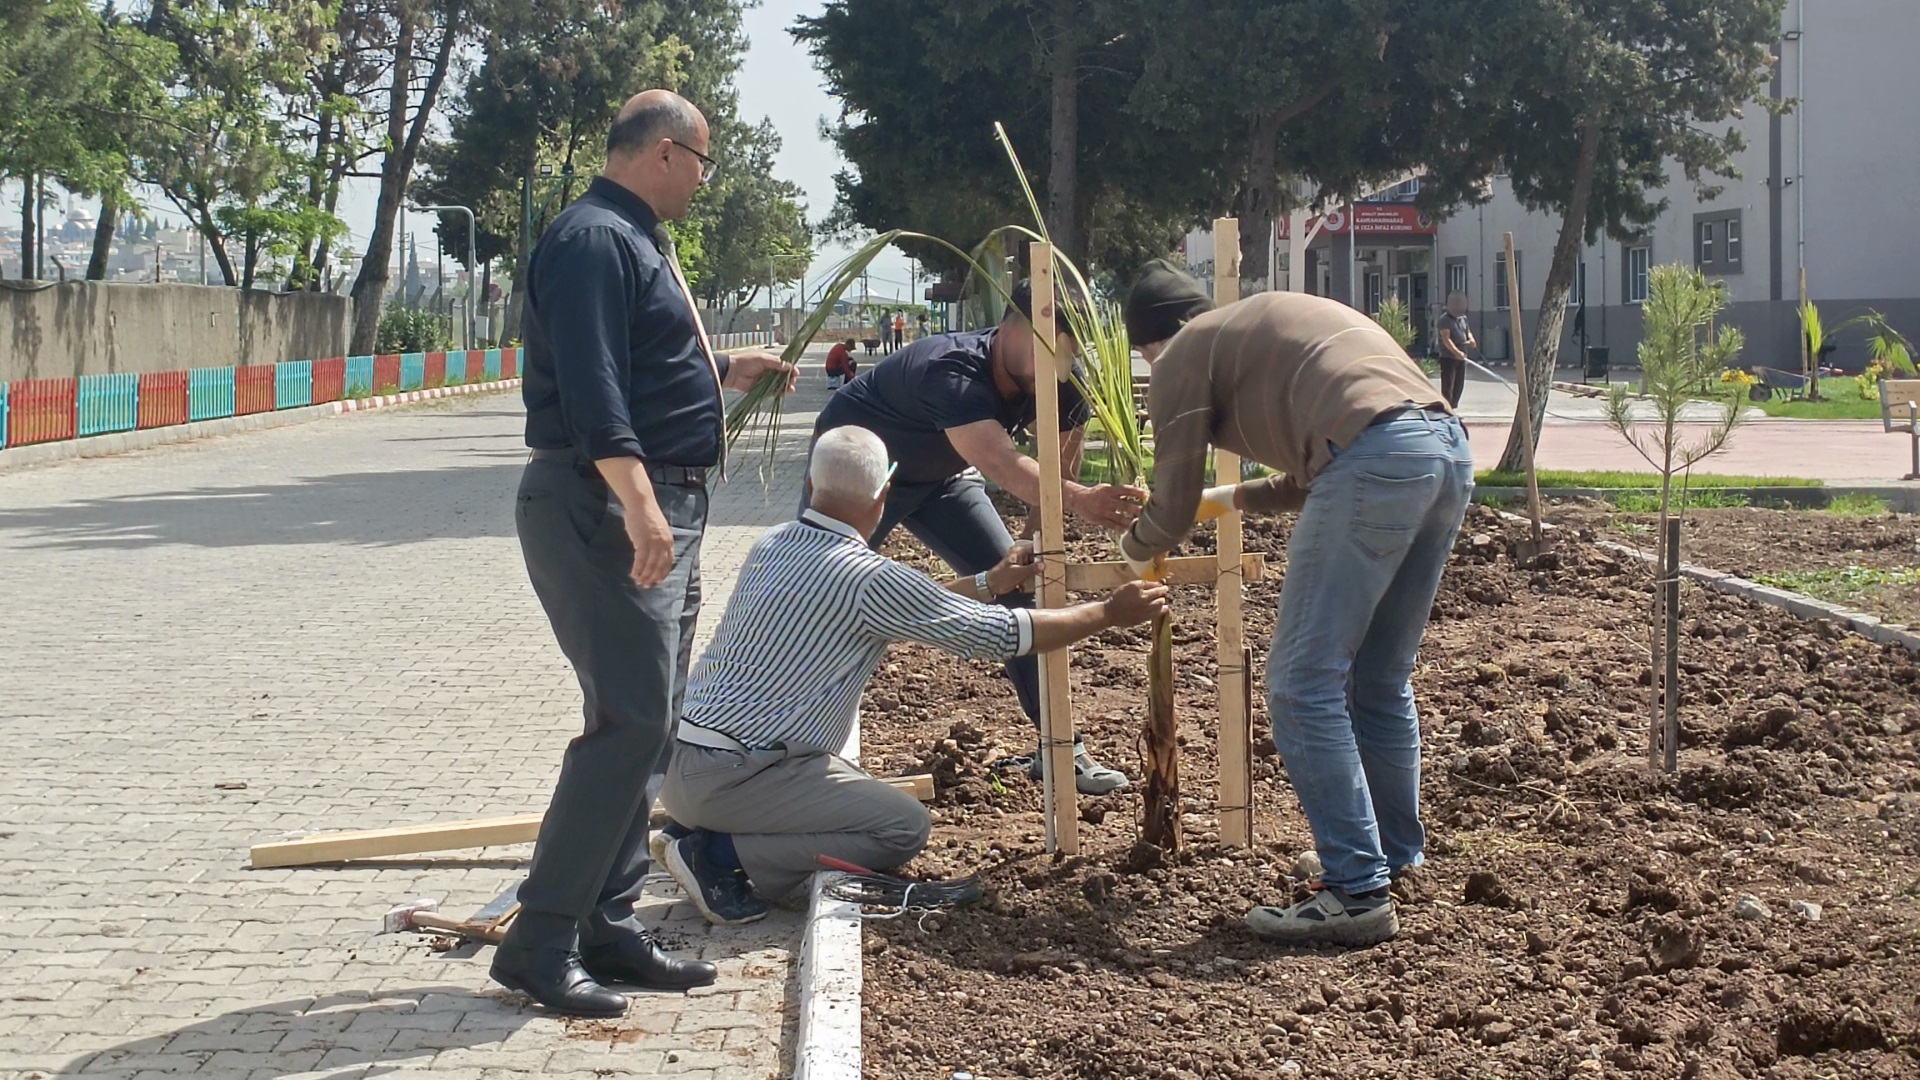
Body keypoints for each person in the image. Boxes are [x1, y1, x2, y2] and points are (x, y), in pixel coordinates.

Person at [499, 88, 794, 1017]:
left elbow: (633, 363)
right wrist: (638, 505)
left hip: (653, 502)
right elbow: (591, 389)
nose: (702, 184)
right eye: (703, 164)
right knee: (626, 724)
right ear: (667, 152)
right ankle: (539, 940)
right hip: (605, 507)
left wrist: (717, 373)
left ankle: (606, 923)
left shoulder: (631, 241)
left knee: (654, 725)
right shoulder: (595, 239)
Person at [656, 427, 1171, 922]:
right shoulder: (867, 579)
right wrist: (1107, 613)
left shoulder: (773, 543)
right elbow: (998, 635)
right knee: (900, 827)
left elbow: (905, 604)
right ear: (884, 494)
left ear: (810, 486)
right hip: (737, 779)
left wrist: (988, 583)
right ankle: (719, 857)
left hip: (683, 768)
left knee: (853, 791)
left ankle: (700, 830)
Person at [1119, 262, 1472, 948]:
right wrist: (1231, 499)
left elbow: (1170, 499)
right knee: (1378, 678)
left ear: (1152, 341)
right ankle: (1393, 858)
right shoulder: (1261, 327)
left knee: (1299, 681)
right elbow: (1330, 458)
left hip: (1376, 459)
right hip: (1445, 450)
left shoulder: (1182, 355)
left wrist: (1135, 550)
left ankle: (1355, 889)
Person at [811, 283, 1146, 794]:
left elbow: (1058, 472)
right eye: (1045, 349)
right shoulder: (953, 371)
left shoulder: (1063, 380)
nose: (1056, 366)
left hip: (941, 481)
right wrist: (1081, 500)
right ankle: (804, 752)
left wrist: (1032, 544)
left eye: (1065, 355)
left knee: (1019, 591)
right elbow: (1004, 464)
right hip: (860, 475)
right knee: (824, 596)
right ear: (1010, 330)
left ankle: (1061, 751)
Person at [1436, 292, 1475, 409]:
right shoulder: (1444, 320)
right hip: (1448, 358)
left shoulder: (1463, 318)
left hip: (1462, 357)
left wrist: (1471, 339)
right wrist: (1456, 352)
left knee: (1459, 385)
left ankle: (1453, 407)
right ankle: (1447, 409)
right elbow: (1446, 339)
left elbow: (1467, 331)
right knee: (1448, 386)